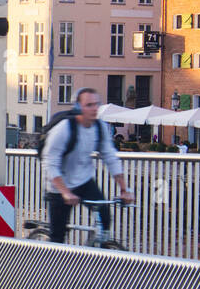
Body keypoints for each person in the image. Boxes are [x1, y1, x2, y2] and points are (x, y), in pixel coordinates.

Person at [42, 87, 134, 244]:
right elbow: (50, 163)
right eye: (89, 105)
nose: (94, 109)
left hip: (84, 181)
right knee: (58, 235)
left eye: (96, 104)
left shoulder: (100, 127)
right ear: (78, 107)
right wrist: (65, 192)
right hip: (59, 186)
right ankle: (53, 267)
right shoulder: (64, 129)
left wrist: (125, 189)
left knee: (105, 217)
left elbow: (110, 157)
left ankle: (95, 252)